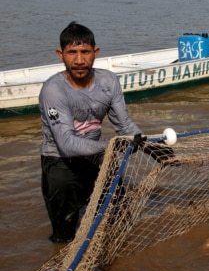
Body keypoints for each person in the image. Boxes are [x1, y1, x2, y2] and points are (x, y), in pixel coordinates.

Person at [39, 22, 171, 243]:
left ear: (95, 53)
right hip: (60, 163)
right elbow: (67, 143)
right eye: (72, 53)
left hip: (97, 157)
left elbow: (125, 126)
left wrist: (151, 147)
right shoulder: (53, 90)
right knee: (64, 237)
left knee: (118, 215)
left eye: (85, 52)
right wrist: (112, 145)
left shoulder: (108, 81)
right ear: (60, 54)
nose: (79, 60)